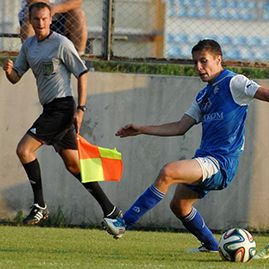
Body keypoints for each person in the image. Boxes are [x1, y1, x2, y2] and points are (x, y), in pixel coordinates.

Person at [102, 39, 269, 251]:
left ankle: (123, 223)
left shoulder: (234, 82)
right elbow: (180, 127)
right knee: (179, 206)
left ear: (219, 60)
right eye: (195, 62)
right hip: (205, 159)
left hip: (221, 162)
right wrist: (142, 129)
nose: (199, 67)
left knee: (168, 172)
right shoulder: (203, 96)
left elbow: (264, 94)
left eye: (203, 61)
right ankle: (211, 245)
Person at [3, 2, 121, 225]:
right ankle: (111, 209)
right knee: (74, 165)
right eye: (36, 19)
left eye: (45, 19)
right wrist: (9, 71)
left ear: (50, 19)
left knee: (24, 150)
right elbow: (16, 76)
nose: (40, 23)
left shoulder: (61, 43)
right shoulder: (28, 46)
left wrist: (81, 109)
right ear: (30, 19)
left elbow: (82, 73)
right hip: (50, 108)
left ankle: (39, 206)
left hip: (62, 107)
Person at [19, 0, 88, 55]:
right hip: (39, 14)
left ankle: (77, 58)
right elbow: (33, 1)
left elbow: (77, 2)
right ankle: (31, 55)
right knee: (31, 11)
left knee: (78, 14)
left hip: (63, 16)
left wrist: (55, 8)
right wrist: (48, 9)